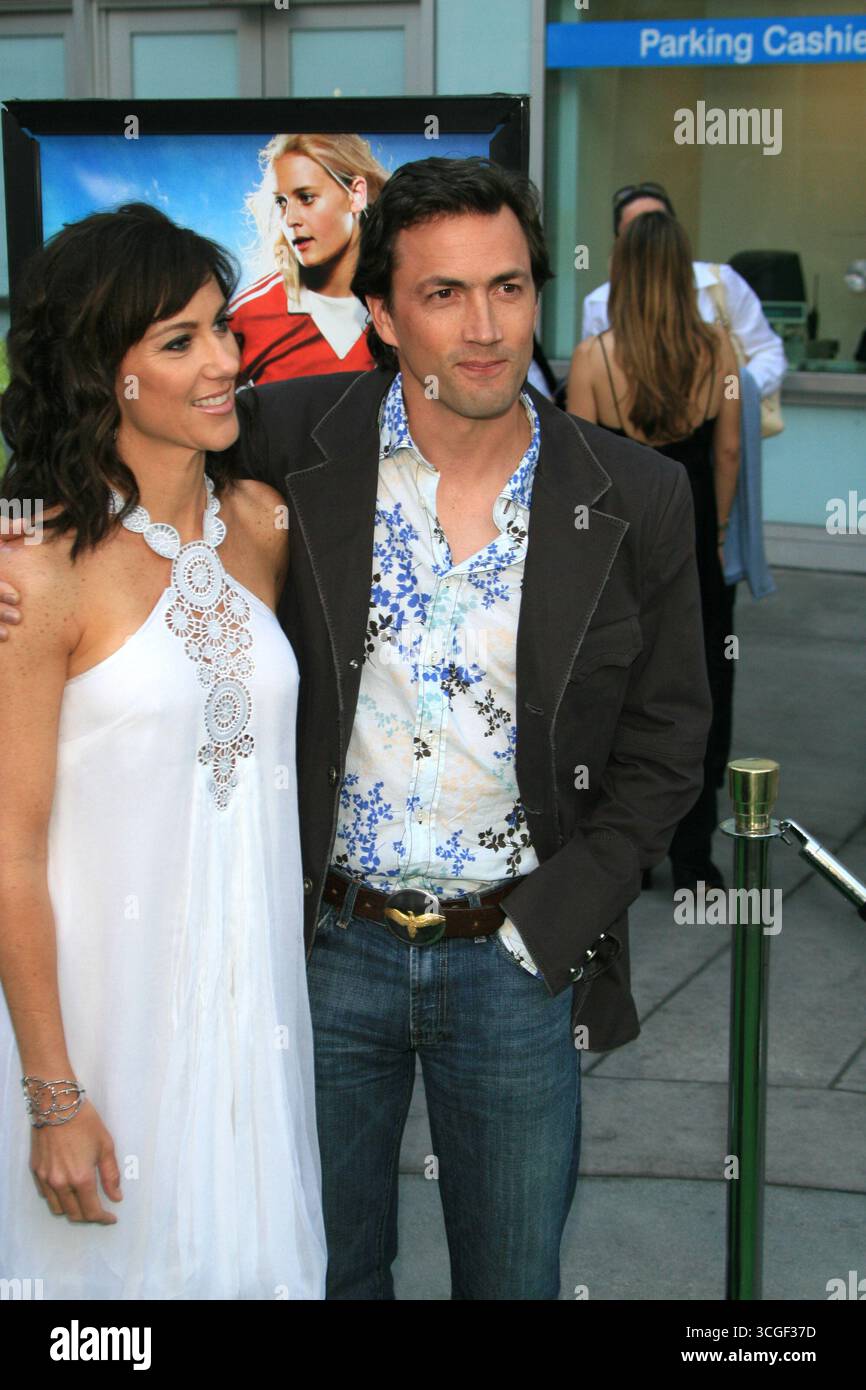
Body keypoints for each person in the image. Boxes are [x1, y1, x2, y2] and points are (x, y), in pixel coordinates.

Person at [0, 158, 713, 1301]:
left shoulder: (632, 495)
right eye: (442, 294)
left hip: (515, 955)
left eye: (510, 287)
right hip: (316, 954)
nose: (484, 329)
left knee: (514, 1277)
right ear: (378, 314)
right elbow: (86, 452)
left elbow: (672, 734)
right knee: (323, 1270)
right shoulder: (287, 441)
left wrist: (560, 918)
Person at [0, 203, 326, 1299]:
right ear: (103, 371)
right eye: (178, 341)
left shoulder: (265, 524)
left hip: (252, 1018)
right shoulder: (35, 566)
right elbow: (9, 853)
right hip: (99, 1022)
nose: (224, 360)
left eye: (221, 328)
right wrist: (53, 1091)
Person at [567, 210, 741, 890]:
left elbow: (580, 472)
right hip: (695, 542)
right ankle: (694, 858)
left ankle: (624, 856)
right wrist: (718, 530)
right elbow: (726, 448)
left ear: (621, 273)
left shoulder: (593, 358)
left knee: (618, 695)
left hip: (622, 552)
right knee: (699, 695)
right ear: (681, 276)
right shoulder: (719, 350)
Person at [581, 181, 787, 399]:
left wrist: (732, 398)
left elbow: (768, 352)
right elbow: (595, 383)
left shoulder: (720, 283)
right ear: (620, 242)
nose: (652, 236)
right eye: (638, 228)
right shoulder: (600, 302)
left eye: (660, 225)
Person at [229, 133, 388, 386]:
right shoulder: (248, 314)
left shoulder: (405, 301)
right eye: (281, 202)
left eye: (306, 198)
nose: (290, 219)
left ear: (356, 195)